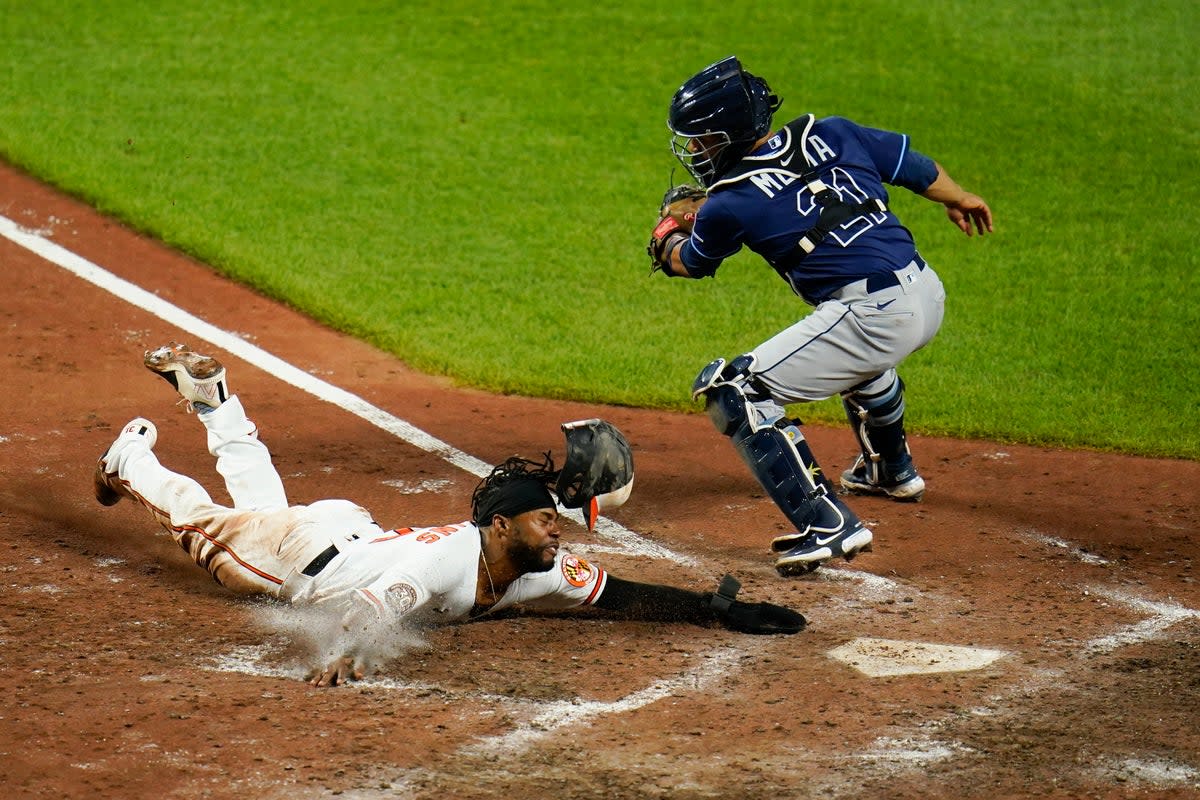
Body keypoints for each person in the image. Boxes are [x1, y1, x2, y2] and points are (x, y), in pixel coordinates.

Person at [94, 342, 805, 687]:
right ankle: (132, 460)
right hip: (298, 558)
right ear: (501, 527)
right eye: (544, 522)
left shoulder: (531, 572)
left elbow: (617, 595)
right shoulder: (444, 562)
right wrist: (344, 655)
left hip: (339, 532)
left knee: (261, 508)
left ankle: (217, 403)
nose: (556, 531)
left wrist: (713, 610)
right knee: (204, 531)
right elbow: (370, 608)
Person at [647, 56, 993, 577]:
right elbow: (915, 169)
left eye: (703, 140)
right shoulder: (830, 132)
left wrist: (664, 234)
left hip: (874, 313)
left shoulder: (728, 202)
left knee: (735, 391)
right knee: (853, 356)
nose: (695, 151)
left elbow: (690, 262)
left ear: (732, 135)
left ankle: (827, 522)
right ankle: (890, 469)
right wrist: (960, 197)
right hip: (926, 292)